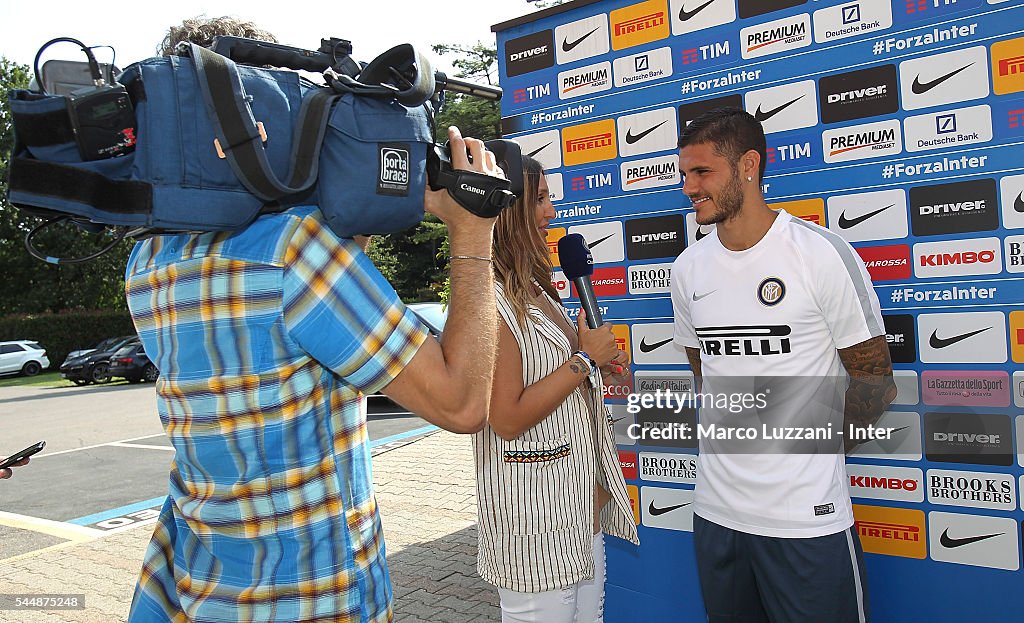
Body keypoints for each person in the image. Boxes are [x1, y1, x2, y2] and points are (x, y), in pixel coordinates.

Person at [126, 17, 502, 623]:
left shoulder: (147, 260)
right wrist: (471, 231)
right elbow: (461, 404)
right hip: (311, 595)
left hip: (203, 588)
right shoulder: (293, 249)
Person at [670, 107, 896, 623]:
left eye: (702, 173)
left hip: (804, 522)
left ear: (749, 165)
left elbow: (875, 385)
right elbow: (707, 376)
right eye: (684, 174)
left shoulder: (819, 255)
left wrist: (805, 459)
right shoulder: (688, 269)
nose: (689, 187)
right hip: (716, 514)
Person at [473, 155, 638, 623]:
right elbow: (506, 417)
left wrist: (597, 367)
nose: (551, 211)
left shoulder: (538, 287)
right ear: (511, 210)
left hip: (579, 511)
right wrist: (584, 360)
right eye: (540, 199)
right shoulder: (489, 298)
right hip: (534, 526)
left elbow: (559, 378)